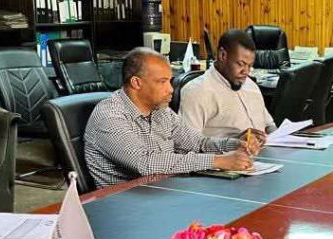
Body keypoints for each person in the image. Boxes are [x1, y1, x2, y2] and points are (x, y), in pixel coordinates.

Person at [84, 48, 255, 189]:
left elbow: (198, 143)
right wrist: (218, 161)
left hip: (164, 192)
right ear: (136, 83)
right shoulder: (109, 116)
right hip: (126, 204)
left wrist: (234, 144)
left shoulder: (161, 110)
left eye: (170, 81)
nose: (170, 89)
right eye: (162, 82)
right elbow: (145, 163)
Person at [179, 28, 274, 151]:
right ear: (222, 55)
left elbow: (269, 125)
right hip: (228, 160)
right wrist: (234, 143)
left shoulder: (251, 85)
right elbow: (188, 146)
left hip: (266, 156)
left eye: (250, 66)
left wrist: (280, 138)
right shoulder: (197, 92)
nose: (246, 71)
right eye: (240, 64)